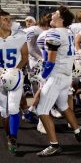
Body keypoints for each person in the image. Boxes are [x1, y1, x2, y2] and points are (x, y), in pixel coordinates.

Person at [36, 6, 81, 157]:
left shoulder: (54, 33)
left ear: (61, 19)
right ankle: (78, 132)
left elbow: (51, 61)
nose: (52, 14)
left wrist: (42, 75)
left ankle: (54, 145)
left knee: (42, 111)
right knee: (64, 106)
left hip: (56, 76)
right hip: (66, 77)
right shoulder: (68, 32)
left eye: (56, 13)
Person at [0, 9, 28, 154]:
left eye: (9, 19)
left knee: (13, 108)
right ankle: (8, 135)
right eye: (5, 19)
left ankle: (13, 138)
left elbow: (25, 57)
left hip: (15, 76)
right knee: (4, 112)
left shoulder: (20, 37)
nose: (9, 22)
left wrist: (15, 70)